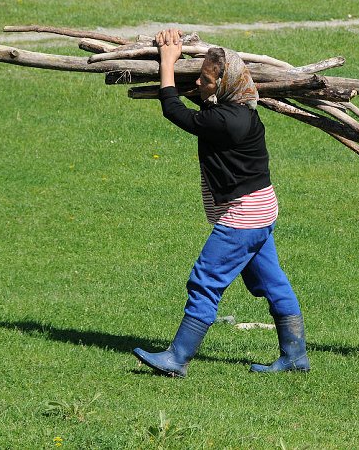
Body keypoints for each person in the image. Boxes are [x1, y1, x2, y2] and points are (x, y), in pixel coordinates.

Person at [132, 28, 310, 377]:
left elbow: (174, 110)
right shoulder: (239, 108)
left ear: (224, 84)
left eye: (206, 80)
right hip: (262, 209)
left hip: (243, 217)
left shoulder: (226, 121)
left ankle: (177, 358)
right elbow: (201, 101)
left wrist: (168, 61)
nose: (199, 85)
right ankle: (295, 355)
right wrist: (180, 57)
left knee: (206, 279)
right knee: (273, 282)